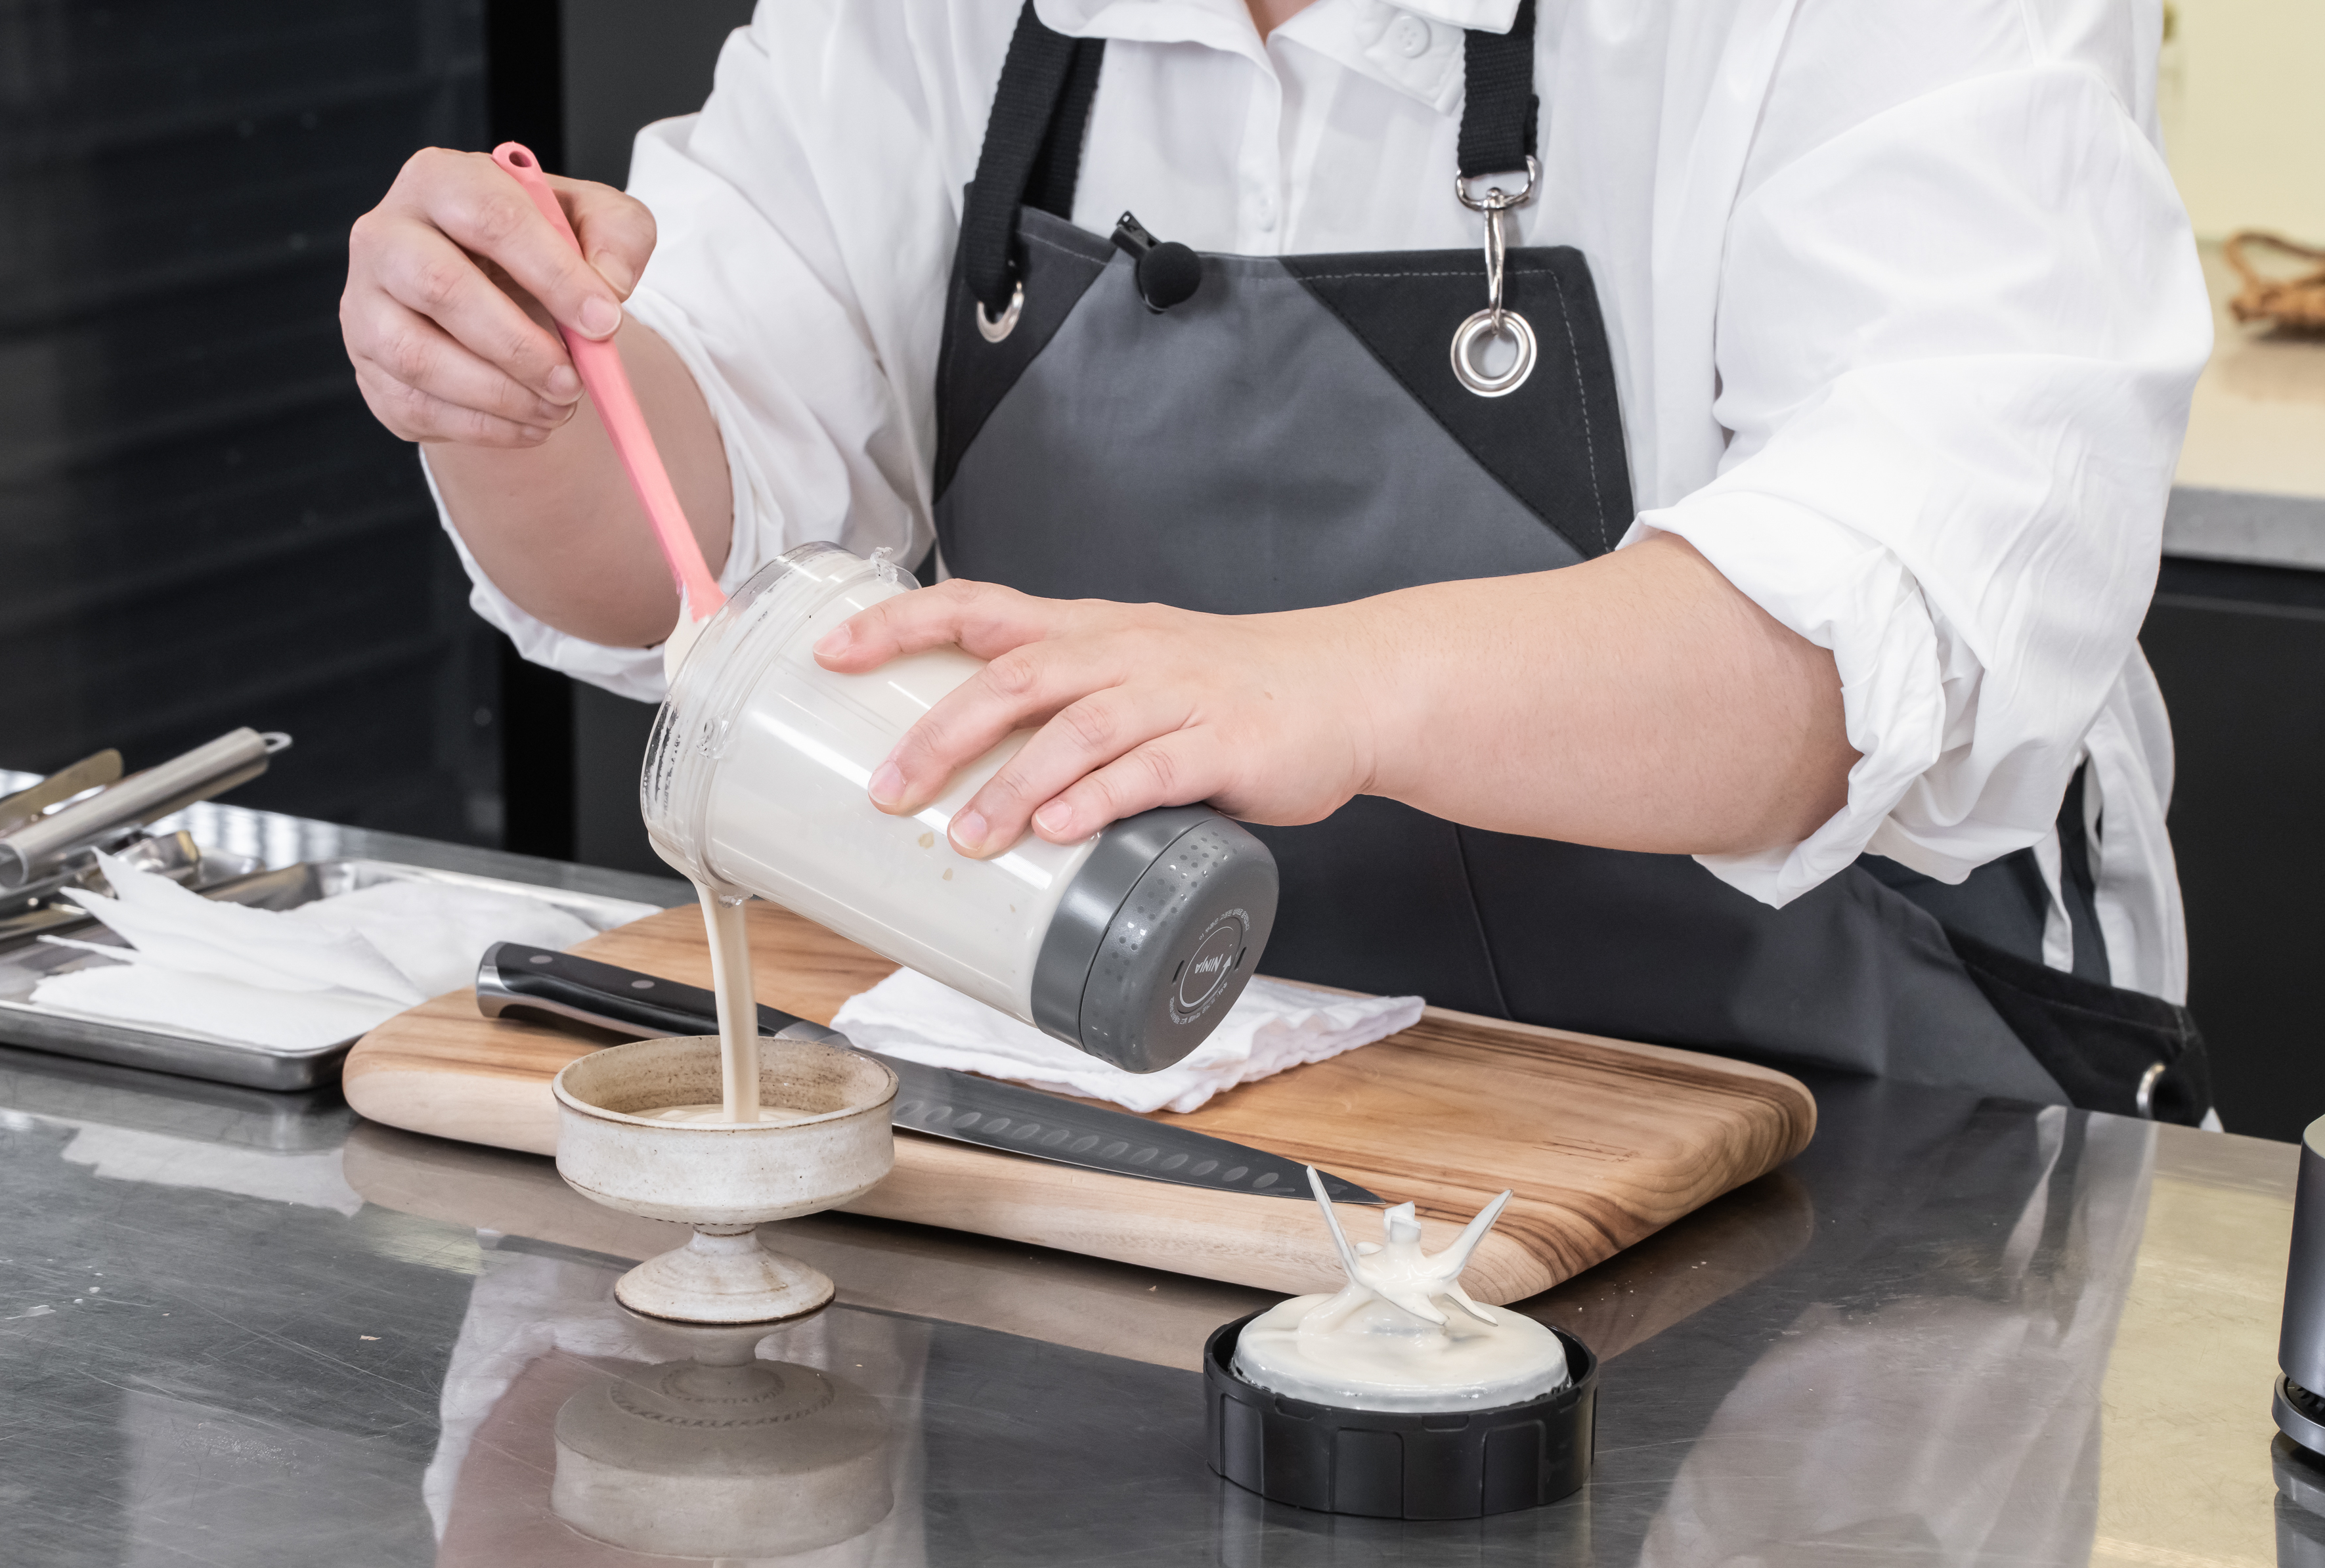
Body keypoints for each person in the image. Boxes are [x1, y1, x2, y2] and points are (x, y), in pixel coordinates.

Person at [340, 0, 2213, 1118]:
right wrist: (518, 385)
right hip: (1167, 1154)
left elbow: (1888, 617)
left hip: (1859, 1195)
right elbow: (684, 557)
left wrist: (1330, 685)